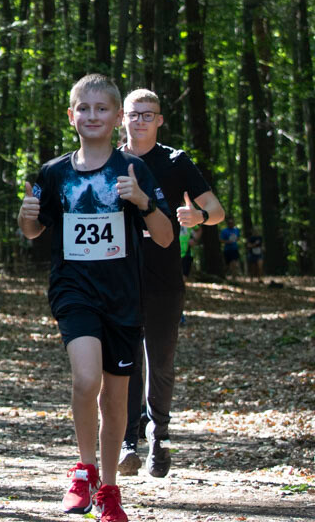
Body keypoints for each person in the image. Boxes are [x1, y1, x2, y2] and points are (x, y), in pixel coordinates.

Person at [19, 74, 173, 522]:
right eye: (83, 109)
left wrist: (144, 201)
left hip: (123, 297)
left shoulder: (132, 169)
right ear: (72, 116)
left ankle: (109, 489)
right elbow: (34, 230)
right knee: (86, 380)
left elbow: (164, 238)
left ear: (116, 117)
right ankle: (83, 472)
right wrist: (26, 216)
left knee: (115, 400)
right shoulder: (54, 173)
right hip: (74, 291)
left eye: (101, 109)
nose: (92, 116)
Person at [116, 88, 225, 481]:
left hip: (164, 280)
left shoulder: (175, 161)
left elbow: (216, 210)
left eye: (149, 114)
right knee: (125, 363)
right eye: (134, 114)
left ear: (160, 120)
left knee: (160, 362)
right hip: (118, 280)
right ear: (121, 119)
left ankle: (158, 437)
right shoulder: (108, 161)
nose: (140, 120)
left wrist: (198, 217)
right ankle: (127, 442)